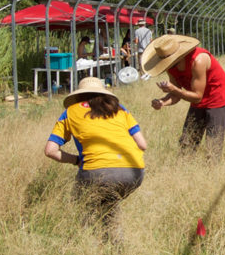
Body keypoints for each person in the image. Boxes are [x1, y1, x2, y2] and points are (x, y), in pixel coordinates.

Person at [43, 76, 147, 241]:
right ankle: (114, 242)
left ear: (79, 95)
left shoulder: (70, 111)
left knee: (82, 206)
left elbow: (50, 150)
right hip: (134, 171)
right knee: (108, 203)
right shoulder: (120, 109)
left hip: (96, 172)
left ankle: (85, 242)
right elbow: (142, 144)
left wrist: (77, 161)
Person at [142, 34, 225, 161]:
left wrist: (174, 89)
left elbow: (196, 97)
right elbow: (176, 94)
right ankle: (184, 169)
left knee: (213, 143)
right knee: (187, 142)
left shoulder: (198, 60)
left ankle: (212, 174)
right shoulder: (171, 67)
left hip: (217, 99)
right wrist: (162, 102)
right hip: (196, 99)